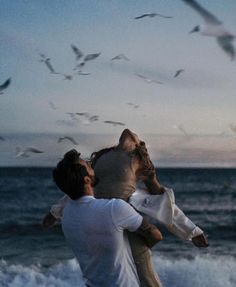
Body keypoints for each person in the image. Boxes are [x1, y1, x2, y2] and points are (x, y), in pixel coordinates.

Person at [44, 129, 208, 286]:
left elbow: (160, 202)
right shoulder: (103, 158)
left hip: (123, 219)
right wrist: (55, 212)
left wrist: (192, 231)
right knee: (137, 275)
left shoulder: (136, 161)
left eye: (134, 137)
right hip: (106, 217)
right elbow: (76, 189)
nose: (129, 135)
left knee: (145, 276)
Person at [52, 149, 163, 287]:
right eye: (87, 165)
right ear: (87, 180)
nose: (91, 165)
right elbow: (155, 235)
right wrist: (139, 250)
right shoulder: (114, 208)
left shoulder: (66, 214)